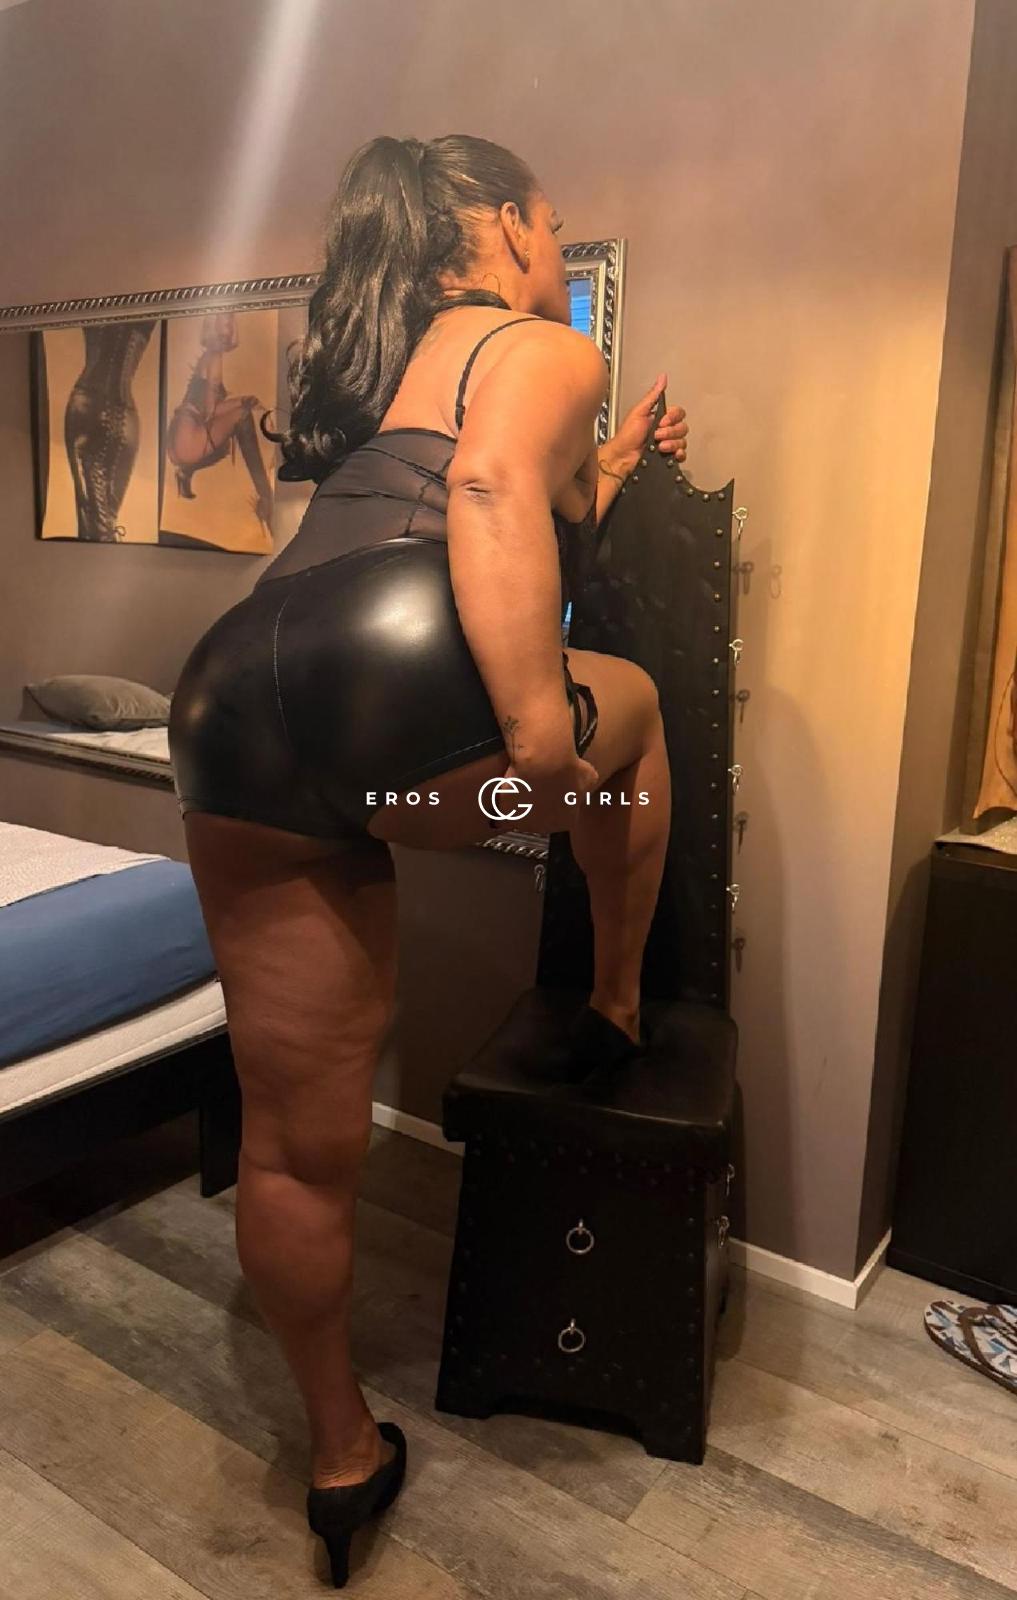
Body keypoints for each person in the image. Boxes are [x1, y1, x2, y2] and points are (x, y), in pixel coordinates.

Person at [168, 132, 688, 1589]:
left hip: (238, 690)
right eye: (552, 226)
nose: (558, 253)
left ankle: (340, 1456)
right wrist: (539, 738)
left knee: (294, 1140)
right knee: (639, 712)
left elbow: (539, 496)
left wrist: (614, 465)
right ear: (504, 226)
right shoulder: (538, 344)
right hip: (396, 667)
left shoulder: (387, 376)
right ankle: (619, 1000)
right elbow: (491, 499)